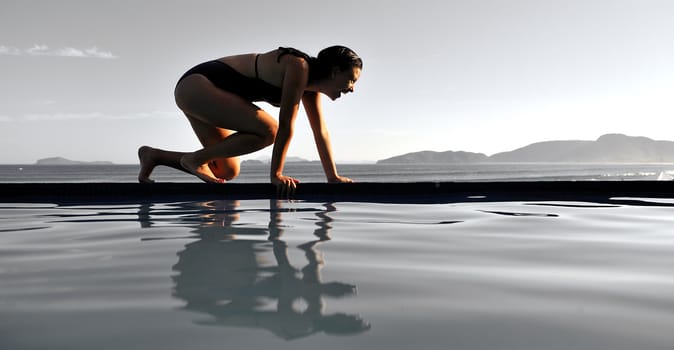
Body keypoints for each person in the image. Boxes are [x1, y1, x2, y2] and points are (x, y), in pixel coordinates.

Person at [138, 46, 362, 194]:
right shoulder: (298, 66)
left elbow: (320, 131)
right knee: (270, 130)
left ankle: (154, 156)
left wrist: (332, 177)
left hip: (202, 93)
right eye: (351, 80)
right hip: (198, 86)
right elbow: (285, 126)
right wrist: (276, 175)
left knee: (226, 170)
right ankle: (195, 160)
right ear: (334, 71)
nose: (351, 89)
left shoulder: (309, 89)